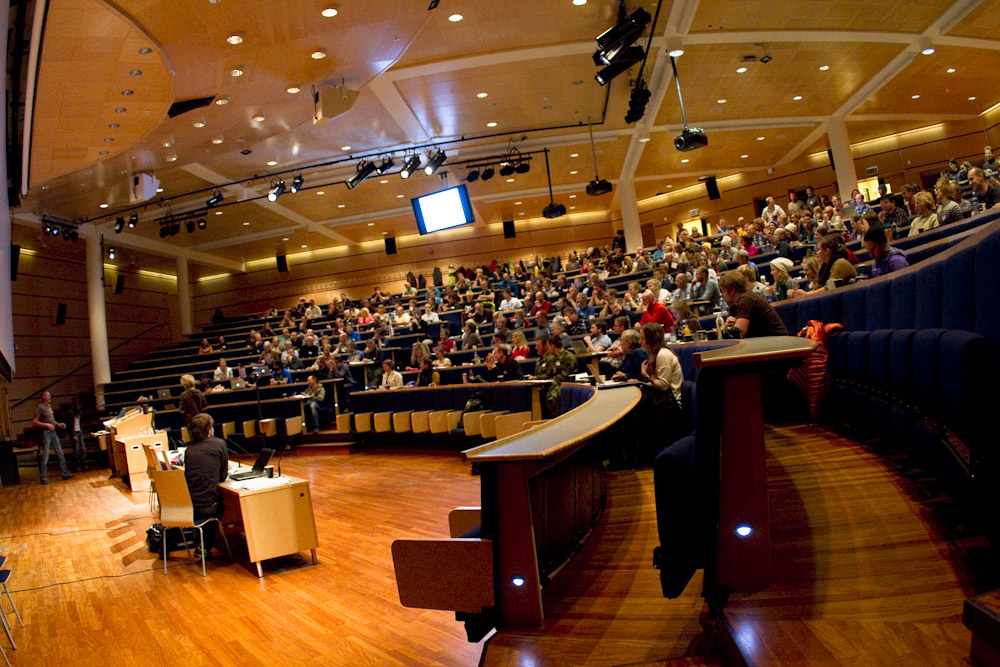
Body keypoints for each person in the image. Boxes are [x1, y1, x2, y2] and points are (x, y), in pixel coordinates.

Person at [183, 413, 228, 555]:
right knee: (221, 504)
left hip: (189, 507)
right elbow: (222, 477)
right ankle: (204, 545)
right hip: (209, 508)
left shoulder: (189, 450)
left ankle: (201, 542)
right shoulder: (219, 444)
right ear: (209, 429)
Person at [718, 270, 789, 338]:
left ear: (732, 290)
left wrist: (722, 332)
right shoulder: (734, 304)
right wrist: (728, 326)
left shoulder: (746, 299)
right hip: (764, 341)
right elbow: (732, 331)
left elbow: (739, 333)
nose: (722, 295)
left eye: (723, 291)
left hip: (779, 341)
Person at [531, 333, 576, 415]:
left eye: (548, 346)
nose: (548, 349)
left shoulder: (568, 357)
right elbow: (551, 373)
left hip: (566, 382)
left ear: (552, 346)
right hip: (555, 381)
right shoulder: (555, 357)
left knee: (552, 388)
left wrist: (551, 380)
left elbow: (565, 375)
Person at [33, 391, 72, 484]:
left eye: (49, 395)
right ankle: (43, 478)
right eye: (47, 395)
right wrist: (46, 425)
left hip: (53, 432)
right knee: (45, 456)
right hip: (46, 433)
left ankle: (64, 474)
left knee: (60, 453)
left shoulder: (49, 406)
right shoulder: (40, 407)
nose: (49, 397)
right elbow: (35, 422)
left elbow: (51, 420)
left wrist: (58, 424)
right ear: (43, 397)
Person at [69, 397, 87, 472]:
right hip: (75, 432)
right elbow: (70, 425)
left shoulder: (79, 412)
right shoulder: (71, 413)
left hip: (79, 431)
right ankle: (74, 466)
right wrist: (73, 434)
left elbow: (79, 422)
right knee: (76, 450)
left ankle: (84, 464)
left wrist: (81, 429)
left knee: (83, 449)